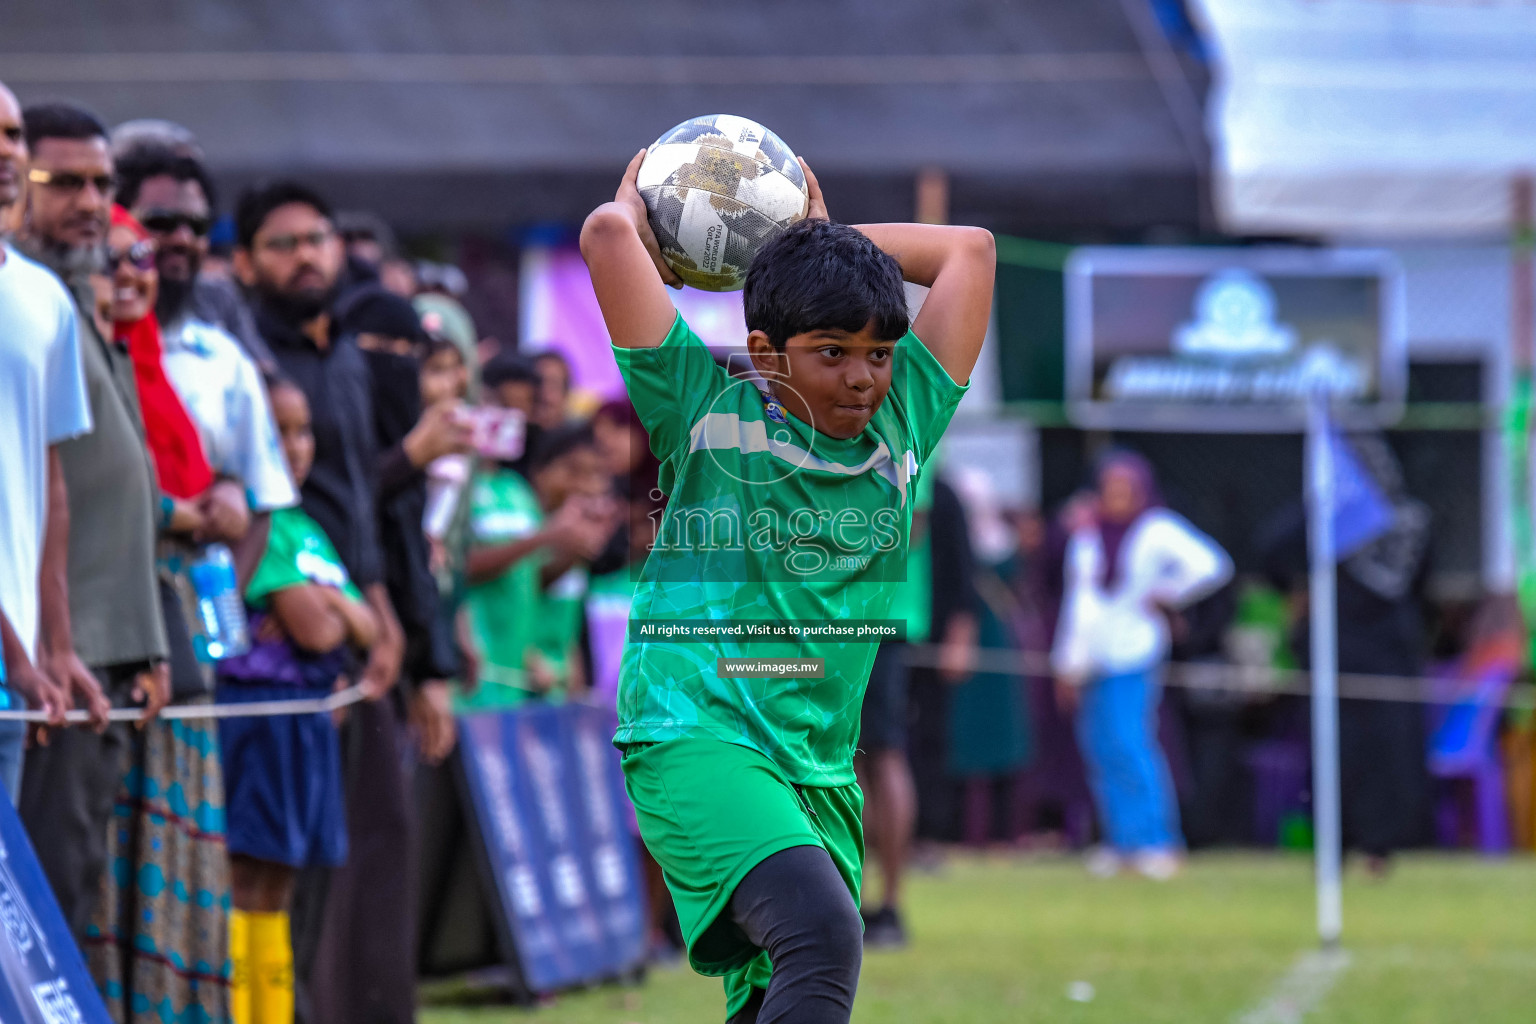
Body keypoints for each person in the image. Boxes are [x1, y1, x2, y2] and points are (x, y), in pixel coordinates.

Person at [581, 150, 993, 1023]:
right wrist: (774, 254)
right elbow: (608, 233)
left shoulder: (906, 417)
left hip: (817, 766)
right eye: (833, 352)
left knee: (774, 993)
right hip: (696, 734)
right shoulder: (703, 411)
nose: (862, 378)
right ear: (764, 351)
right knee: (823, 934)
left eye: (879, 353)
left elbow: (973, 252)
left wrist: (822, 242)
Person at [232, 180, 409, 1024]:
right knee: (262, 881)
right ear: (245, 262)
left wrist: (377, 614)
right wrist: (343, 609)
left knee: (340, 861)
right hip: (266, 695)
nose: (307, 256)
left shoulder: (344, 354)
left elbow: (357, 515)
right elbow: (307, 610)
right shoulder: (249, 363)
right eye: (283, 243)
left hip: (342, 665)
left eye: (318, 238)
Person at [14, 101, 168, 943]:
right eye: (63, 181)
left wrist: (145, 641)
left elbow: (114, 490)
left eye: (102, 185)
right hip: (49, 658)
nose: (88, 202)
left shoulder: (72, 299)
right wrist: (57, 644)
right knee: (37, 912)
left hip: (103, 658)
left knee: (66, 906)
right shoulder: (26, 301)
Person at [87, 205, 243, 1024]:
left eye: (140, 255)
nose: (131, 272)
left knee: (179, 849)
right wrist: (186, 513)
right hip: (114, 633)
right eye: (109, 257)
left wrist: (223, 502)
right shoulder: (78, 360)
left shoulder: (151, 368)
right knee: (118, 850)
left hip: (179, 639)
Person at [217, 376, 378, 1024]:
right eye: (277, 431)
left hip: (307, 729)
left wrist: (335, 607)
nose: (294, 445)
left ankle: (273, 1013)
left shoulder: (307, 526)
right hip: (262, 723)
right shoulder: (265, 525)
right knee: (247, 877)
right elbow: (321, 630)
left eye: (303, 429)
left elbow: (365, 628)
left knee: (283, 882)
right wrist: (337, 612)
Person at [1052, 451, 1232, 880]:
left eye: (1124, 489)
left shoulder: (1156, 529)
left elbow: (1212, 565)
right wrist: (1067, 662)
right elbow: (1079, 603)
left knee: (1131, 744)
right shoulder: (1088, 533)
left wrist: (1168, 593)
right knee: (1102, 750)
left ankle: (1157, 840)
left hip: (1133, 653)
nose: (1115, 497)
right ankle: (1122, 842)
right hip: (1090, 656)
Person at [1259, 432, 1433, 874]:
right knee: (1333, 749)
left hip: (1385, 654)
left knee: (1386, 755)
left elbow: (1419, 586)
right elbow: (1272, 551)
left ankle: (1380, 846)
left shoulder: (1408, 518)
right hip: (1334, 651)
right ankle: (1333, 845)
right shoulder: (1327, 515)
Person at [0, 82, 88, 797]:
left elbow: (48, 479)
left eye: (13, 134)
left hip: (19, 664)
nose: (5, 151)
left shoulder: (43, 297)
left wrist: (56, 645)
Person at [114, 142, 274, 369]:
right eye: (160, 221)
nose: (182, 239)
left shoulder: (221, 338)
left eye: (197, 225)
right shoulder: (91, 328)